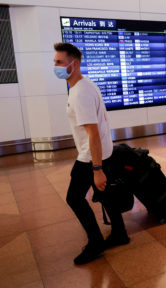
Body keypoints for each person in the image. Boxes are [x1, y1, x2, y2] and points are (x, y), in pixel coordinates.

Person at [53, 43, 129, 265]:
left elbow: (92, 133)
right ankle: (119, 233)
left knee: (74, 198)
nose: (55, 66)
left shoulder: (80, 93)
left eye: (59, 62)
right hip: (103, 152)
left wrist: (96, 169)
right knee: (105, 195)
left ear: (73, 64)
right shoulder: (84, 85)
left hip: (90, 157)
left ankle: (95, 243)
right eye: (55, 62)